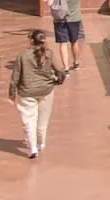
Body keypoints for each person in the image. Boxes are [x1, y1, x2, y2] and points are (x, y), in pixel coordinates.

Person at [8, 29, 66, 158]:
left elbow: (15, 77)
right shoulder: (49, 54)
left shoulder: (22, 55)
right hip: (46, 91)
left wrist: (12, 94)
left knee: (29, 121)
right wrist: (57, 81)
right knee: (43, 121)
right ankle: (41, 144)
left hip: (27, 92)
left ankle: (33, 148)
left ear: (31, 40)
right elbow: (60, 71)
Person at [45, 0, 89, 72]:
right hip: (74, 18)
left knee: (63, 44)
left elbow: (49, 3)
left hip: (60, 19)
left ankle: (65, 68)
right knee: (74, 41)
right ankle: (76, 62)